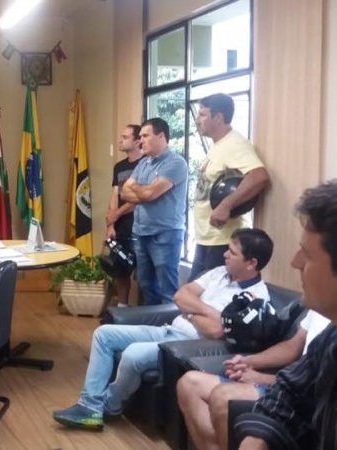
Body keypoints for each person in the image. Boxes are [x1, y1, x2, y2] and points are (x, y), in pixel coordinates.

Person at [52, 228, 273, 431]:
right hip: (168, 329)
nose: (225, 254)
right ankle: (90, 405)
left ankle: (110, 405)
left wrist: (192, 310)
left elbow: (216, 331)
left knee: (133, 354)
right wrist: (209, 313)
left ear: (251, 263)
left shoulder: (256, 299)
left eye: (232, 252)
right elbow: (180, 296)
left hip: (187, 345)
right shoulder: (219, 272)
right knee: (104, 334)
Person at [235, 181, 337, 450]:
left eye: (308, 255)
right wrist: (258, 438)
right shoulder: (330, 339)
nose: (295, 262)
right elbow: (289, 389)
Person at [177, 309, 330, 450]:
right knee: (189, 384)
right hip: (287, 382)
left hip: (301, 397)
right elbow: (292, 346)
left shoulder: (331, 338)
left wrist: (262, 378)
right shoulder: (319, 310)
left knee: (223, 396)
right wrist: (249, 361)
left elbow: (310, 386)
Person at [190, 93, 270, 281]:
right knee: (194, 292)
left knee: (205, 294)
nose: (197, 119)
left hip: (222, 241)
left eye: (202, 114)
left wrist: (226, 205)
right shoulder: (217, 145)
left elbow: (259, 176)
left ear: (218, 118)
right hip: (206, 238)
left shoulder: (235, 143)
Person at [120, 118, 188, 305]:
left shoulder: (176, 163)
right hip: (141, 233)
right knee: (146, 286)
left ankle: (169, 324)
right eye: (140, 136)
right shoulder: (144, 163)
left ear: (161, 136)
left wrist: (140, 190)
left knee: (167, 290)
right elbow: (124, 192)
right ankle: (152, 323)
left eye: (145, 136)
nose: (140, 140)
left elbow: (149, 194)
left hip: (165, 234)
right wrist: (145, 191)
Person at [105, 124, 144, 307]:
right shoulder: (119, 166)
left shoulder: (145, 164)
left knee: (142, 271)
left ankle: (144, 312)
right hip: (119, 225)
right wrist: (111, 224)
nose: (120, 140)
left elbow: (140, 198)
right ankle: (122, 308)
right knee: (120, 269)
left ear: (137, 141)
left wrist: (117, 214)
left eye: (125, 137)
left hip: (138, 224)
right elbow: (115, 194)